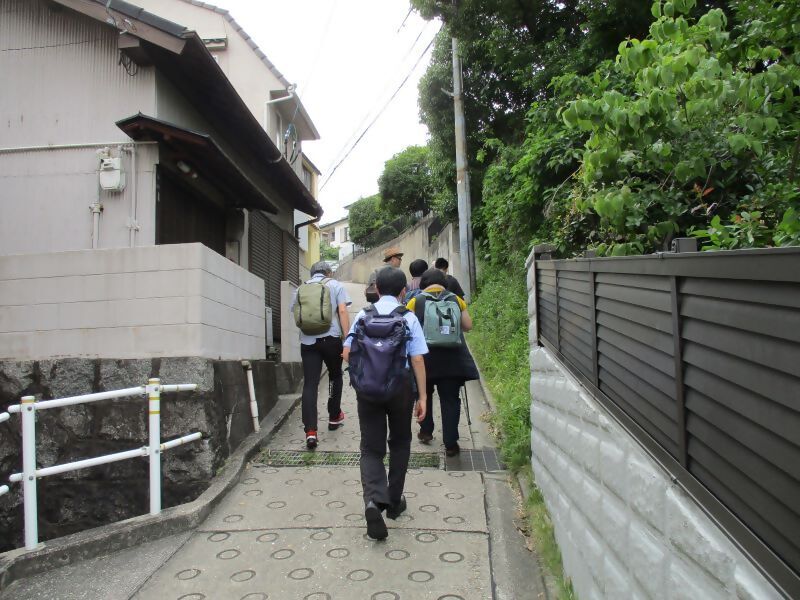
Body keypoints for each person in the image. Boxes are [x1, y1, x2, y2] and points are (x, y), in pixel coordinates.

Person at [343, 266, 428, 540]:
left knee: (370, 447)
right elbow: (417, 359)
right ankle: (393, 502)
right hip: (400, 388)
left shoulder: (362, 315)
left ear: (376, 289)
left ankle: (373, 501)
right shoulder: (408, 317)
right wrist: (423, 396)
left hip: (368, 389)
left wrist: (363, 375)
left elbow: (347, 352)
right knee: (401, 442)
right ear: (404, 291)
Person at [406, 268, 478, 456]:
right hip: (452, 358)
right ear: (443, 282)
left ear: (424, 283)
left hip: (424, 358)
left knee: (424, 394)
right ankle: (451, 443)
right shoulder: (456, 299)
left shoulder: (416, 301)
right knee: (451, 400)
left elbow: (406, 329)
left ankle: (426, 431)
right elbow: (468, 326)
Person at [290, 261, 351, 449]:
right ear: (328, 273)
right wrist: (347, 339)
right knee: (335, 376)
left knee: (310, 383)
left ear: (312, 274)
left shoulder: (301, 288)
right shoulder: (335, 285)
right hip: (331, 339)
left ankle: (310, 431)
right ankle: (334, 416)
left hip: (308, 341)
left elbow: (296, 312)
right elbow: (342, 310)